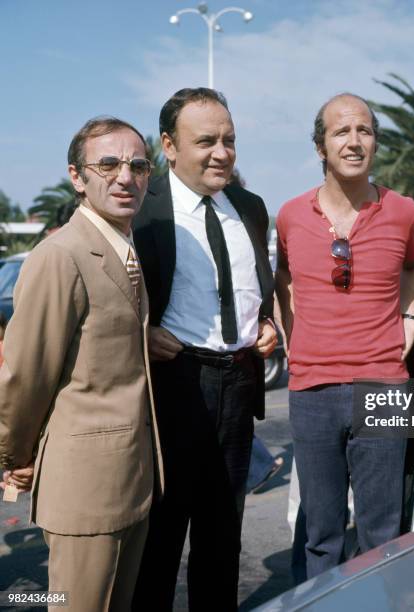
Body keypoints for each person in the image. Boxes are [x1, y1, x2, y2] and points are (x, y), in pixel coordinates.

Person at [0, 116, 162, 612]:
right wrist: (13, 458)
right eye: (108, 164)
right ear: (77, 176)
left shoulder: (128, 247)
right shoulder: (60, 255)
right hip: (86, 487)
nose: (124, 177)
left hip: (133, 477)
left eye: (137, 165)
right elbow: (26, 374)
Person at [132, 87, 276, 611]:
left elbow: (254, 287)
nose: (222, 152)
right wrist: (140, 332)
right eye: (207, 141)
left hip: (238, 387)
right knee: (161, 538)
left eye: (230, 140)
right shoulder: (142, 212)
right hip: (174, 388)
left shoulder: (251, 207)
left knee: (223, 536)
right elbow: (109, 299)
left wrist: (266, 325)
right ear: (168, 146)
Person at [275, 93, 414, 578]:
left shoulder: (404, 212)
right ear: (321, 146)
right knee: (321, 533)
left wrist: (412, 319)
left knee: (382, 532)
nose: (354, 141)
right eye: (341, 132)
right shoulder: (291, 215)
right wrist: (290, 334)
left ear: (376, 143)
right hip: (311, 391)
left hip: (383, 386)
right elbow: (283, 278)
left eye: (364, 131)